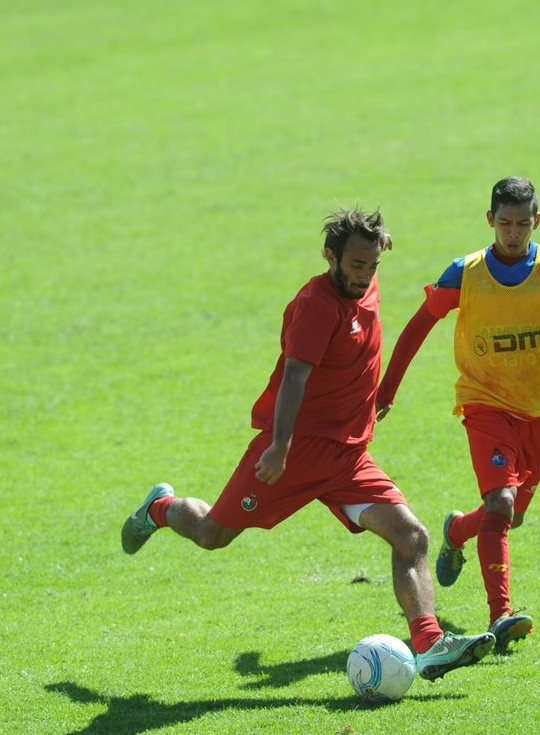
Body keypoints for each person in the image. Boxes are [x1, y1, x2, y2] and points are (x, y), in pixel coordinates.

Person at [121, 207, 495, 681]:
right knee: (212, 534)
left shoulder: (364, 272)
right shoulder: (316, 308)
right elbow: (295, 377)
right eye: (355, 265)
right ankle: (160, 508)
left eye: (372, 266)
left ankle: (430, 644)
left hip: (347, 457)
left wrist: (378, 242)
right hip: (293, 453)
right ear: (330, 257)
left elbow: (369, 253)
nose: (364, 277)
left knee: (413, 537)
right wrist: (278, 446)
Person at [375, 177, 540, 651]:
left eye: (522, 224)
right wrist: (387, 390)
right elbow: (417, 327)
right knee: (502, 504)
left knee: (509, 515)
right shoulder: (465, 273)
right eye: (504, 223)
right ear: (490, 220)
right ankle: (501, 615)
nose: (513, 232)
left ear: (537, 221)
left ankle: (456, 531)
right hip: (484, 403)